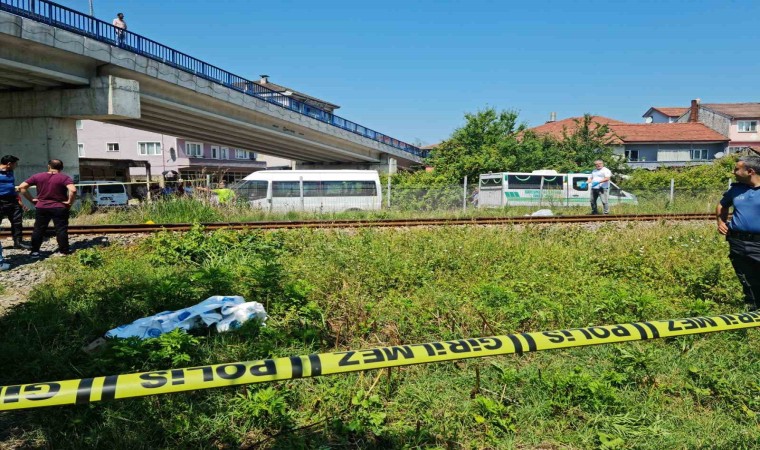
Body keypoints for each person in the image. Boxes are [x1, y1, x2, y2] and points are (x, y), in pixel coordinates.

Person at [716, 155, 760, 312]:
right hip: (737, 242)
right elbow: (722, 205)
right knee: (746, 278)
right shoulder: (735, 189)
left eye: (736, 169)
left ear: (750, 171)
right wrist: (721, 222)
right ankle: (753, 312)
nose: (733, 172)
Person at [18, 159, 77, 257]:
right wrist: (69, 202)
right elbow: (73, 190)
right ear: (61, 168)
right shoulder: (64, 178)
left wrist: (32, 200)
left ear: (49, 166)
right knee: (61, 229)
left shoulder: (38, 176)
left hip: (42, 207)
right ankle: (64, 251)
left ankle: (35, 251)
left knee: (38, 229)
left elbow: (22, 187)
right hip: (59, 207)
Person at [0, 155, 31, 249]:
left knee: (17, 221)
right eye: (15, 164)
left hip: (12, 200)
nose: (16, 166)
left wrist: (18, 199)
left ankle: (18, 243)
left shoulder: (10, 171)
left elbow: (11, 185)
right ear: (9, 164)